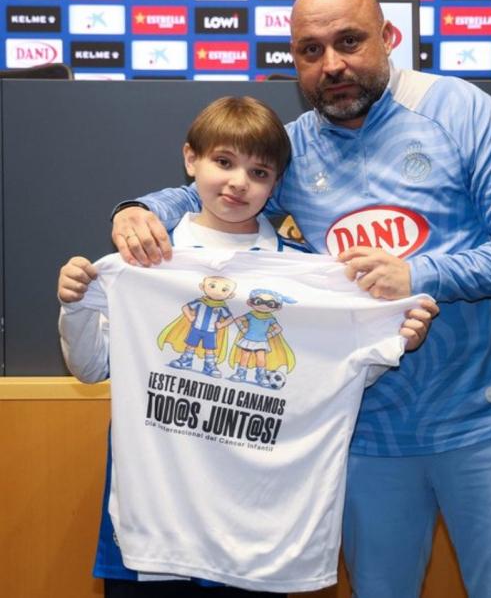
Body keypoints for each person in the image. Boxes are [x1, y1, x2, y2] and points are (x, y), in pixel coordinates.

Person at [111, 0, 491, 597]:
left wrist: (421, 274)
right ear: (295, 60)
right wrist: (139, 210)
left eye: (350, 42)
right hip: (363, 433)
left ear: (388, 37)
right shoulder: (292, 150)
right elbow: (210, 194)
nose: (332, 65)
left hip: (483, 423)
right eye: (311, 50)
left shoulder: (459, 110)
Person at [59, 96, 437, 597]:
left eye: (259, 172)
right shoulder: (145, 258)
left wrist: (393, 338)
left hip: (257, 538)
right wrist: (77, 306)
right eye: (223, 162)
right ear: (190, 159)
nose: (239, 182)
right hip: (152, 531)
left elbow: (328, 379)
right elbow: (90, 369)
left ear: (275, 185)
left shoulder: (308, 273)